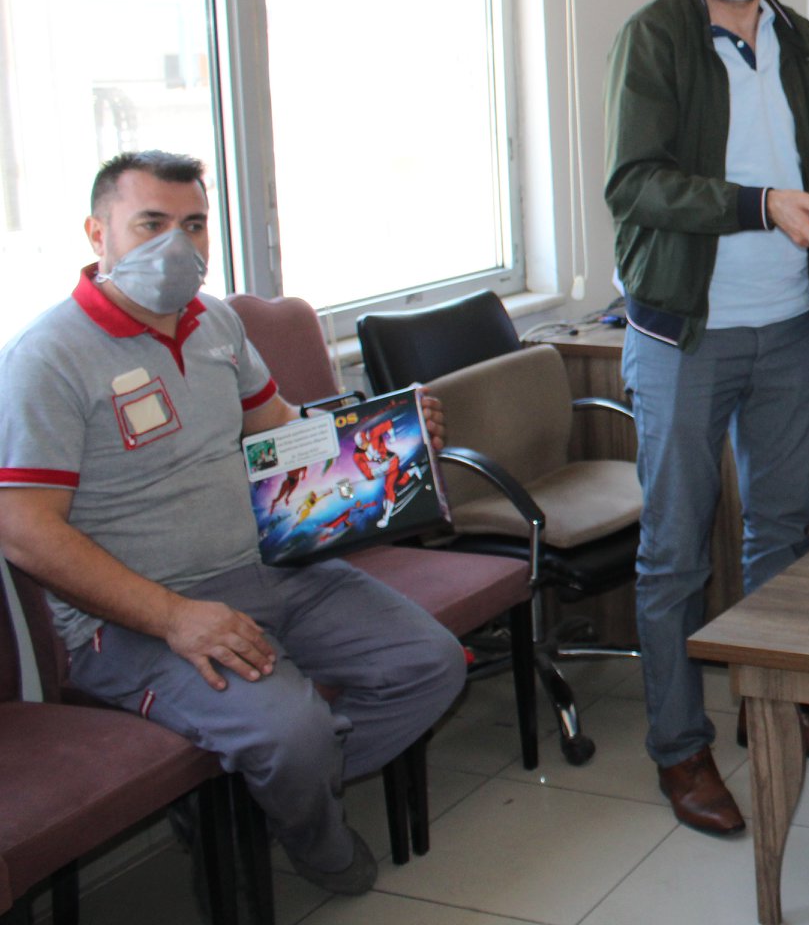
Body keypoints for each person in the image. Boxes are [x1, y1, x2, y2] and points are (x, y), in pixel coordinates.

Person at [0, 151, 465, 896]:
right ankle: (315, 838)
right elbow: (23, 530)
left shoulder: (213, 322)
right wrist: (175, 618)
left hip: (268, 568)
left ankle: (267, 799)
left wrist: (390, 435)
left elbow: (278, 431)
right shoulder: (47, 357)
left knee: (431, 664)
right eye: (150, 223)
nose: (175, 245)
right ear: (96, 233)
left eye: (193, 225)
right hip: (137, 618)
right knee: (293, 734)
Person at [604, 0, 809, 838]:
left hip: (788, 325)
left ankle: (780, 708)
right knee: (675, 553)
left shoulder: (795, 35)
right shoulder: (655, 36)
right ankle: (681, 749)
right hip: (685, 331)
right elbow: (635, 183)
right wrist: (760, 205)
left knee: (784, 534)